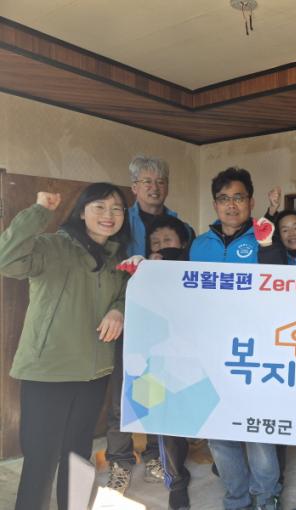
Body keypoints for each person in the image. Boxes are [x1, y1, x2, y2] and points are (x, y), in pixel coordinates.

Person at [0, 184, 129, 510]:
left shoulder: (117, 258)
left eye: (116, 208)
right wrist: (39, 212)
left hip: (94, 372)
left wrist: (119, 310)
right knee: (41, 459)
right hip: (49, 371)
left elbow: (127, 294)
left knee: (79, 455)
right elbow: (6, 259)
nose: (109, 215)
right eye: (99, 207)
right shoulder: (52, 246)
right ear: (82, 212)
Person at [190, 167, 286, 510]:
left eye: (238, 197)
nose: (231, 205)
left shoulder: (264, 239)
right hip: (211, 352)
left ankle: (265, 498)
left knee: (258, 433)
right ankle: (236, 499)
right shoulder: (199, 244)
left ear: (251, 202)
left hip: (256, 352)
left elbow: (283, 287)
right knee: (219, 434)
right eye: (224, 199)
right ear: (215, 204)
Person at [106, 155, 194, 494]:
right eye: (147, 181)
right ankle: (119, 461)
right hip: (126, 318)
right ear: (134, 187)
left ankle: (157, 455)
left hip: (165, 323)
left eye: (160, 182)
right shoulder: (119, 221)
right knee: (122, 394)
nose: (154, 188)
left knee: (157, 390)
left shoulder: (181, 226)